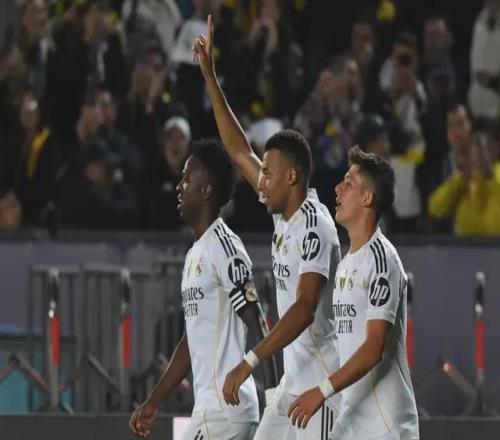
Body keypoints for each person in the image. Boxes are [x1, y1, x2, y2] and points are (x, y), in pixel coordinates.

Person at [193, 16, 341, 439]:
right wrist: (210, 78)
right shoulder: (283, 214)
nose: (259, 182)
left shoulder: (315, 227)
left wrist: (250, 360)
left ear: (292, 178)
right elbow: (238, 150)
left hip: (320, 386)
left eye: (268, 175)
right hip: (293, 382)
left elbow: (305, 309)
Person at [128, 139, 278, 439]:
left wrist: (274, 400)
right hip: (210, 410)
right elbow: (191, 342)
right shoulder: (195, 253)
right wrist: (153, 402)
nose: (179, 187)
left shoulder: (226, 247)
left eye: (187, 178)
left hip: (226, 411)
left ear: (206, 190)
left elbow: (258, 322)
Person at [287, 147, 419, 440]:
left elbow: (373, 348)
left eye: (349, 183)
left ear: (367, 198)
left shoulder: (383, 261)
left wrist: (321, 390)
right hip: (353, 420)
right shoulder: (347, 264)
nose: (338, 188)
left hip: (386, 427)